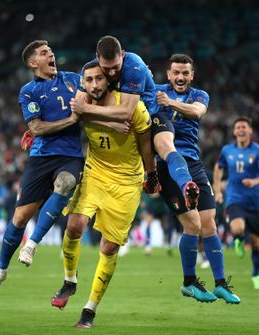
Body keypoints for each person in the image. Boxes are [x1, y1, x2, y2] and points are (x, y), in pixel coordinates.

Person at [51, 61, 158, 328]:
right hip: (96, 172)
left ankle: (89, 310)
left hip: (126, 182)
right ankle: (69, 281)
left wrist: (151, 174)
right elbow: (74, 115)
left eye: (99, 79)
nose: (95, 84)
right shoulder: (80, 101)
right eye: (89, 80)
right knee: (74, 225)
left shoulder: (132, 106)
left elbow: (146, 142)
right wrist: (108, 119)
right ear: (82, 83)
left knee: (109, 247)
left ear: (108, 80)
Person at [0, 40, 85, 300]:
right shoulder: (28, 91)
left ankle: (32, 244)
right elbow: (37, 128)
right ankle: (0, 272)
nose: (50, 54)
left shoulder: (74, 80)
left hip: (71, 156)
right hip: (41, 158)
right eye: (43, 53)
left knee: (64, 184)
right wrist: (72, 120)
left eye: (50, 51)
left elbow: (99, 85)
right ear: (33, 63)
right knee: (18, 219)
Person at [71, 35, 200, 211]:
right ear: (97, 57)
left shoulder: (135, 66)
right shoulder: (91, 70)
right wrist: (107, 122)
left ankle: (186, 184)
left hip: (150, 114)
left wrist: (86, 109)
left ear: (122, 54)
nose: (111, 73)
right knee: (192, 225)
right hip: (117, 123)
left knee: (166, 146)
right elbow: (77, 109)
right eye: (106, 68)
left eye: (116, 67)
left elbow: (126, 112)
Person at [154, 54, 240, 303]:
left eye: (185, 73)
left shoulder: (199, 96)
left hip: (194, 163)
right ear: (169, 74)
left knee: (209, 225)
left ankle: (221, 283)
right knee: (192, 224)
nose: (180, 77)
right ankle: (189, 282)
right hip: (167, 164)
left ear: (192, 75)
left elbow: (196, 112)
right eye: (176, 73)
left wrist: (169, 103)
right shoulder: (155, 91)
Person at [213, 116, 259, 290]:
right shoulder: (227, 150)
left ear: (250, 131)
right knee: (237, 227)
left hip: (255, 202)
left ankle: (256, 274)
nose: (241, 129)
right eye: (238, 126)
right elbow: (218, 168)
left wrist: (254, 182)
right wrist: (217, 191)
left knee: (256, 243)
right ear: (234, 131)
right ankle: (238, 238)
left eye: (244, 127)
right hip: (234, 199)